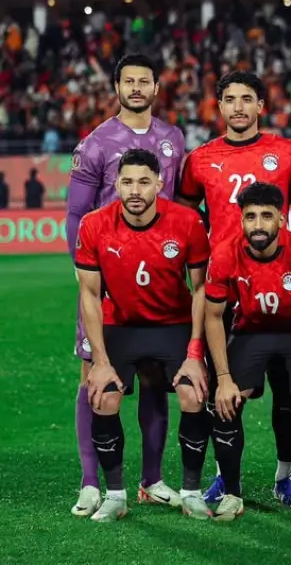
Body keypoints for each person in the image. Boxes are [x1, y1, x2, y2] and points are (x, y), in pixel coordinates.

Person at [178, 70, 291, 508]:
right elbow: (183, 218)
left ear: (262, 105)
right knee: (222, 394)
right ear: (218, 107)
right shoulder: (200, 159)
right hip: (224, 287)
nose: (238, 107)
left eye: (247, 99)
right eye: (230, 99)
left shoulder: (287, 153)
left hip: (278, 283)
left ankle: (285, 477)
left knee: (287, 392)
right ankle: (225, 478)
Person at [66, 53, 186, 517]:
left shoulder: (173, 138)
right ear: (116, 86)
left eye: (144, 81)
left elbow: (176, 205)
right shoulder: (96, 142)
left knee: (157, 376)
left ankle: (151, 480)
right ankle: (91, 483)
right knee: (94, 374)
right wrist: (81, 271)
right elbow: (76, 214)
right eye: (128, 81)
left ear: (157, 87)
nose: (136, 88)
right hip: (108, 276)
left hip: (159, 283)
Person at [73, 149, 210, 522]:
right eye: (128, 181)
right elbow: (89, 294)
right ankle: (115, 495)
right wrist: (99, 361)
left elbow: (201, 289)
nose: (135, 190)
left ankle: (192, 491)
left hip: (173, 324)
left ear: (160, 184)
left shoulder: (187, 222)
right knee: (102, 397)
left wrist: (195, 352)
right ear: (116, 183)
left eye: (144, 182)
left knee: (192, 392)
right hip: (120, 324)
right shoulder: (94, 224)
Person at [203, 182, 291, 522]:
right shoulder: (223, 254)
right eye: (250, 217)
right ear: (241, 220)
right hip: (251, 333)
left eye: (266, 216)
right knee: (226, 403)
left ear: (282, 219)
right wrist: (223, 379)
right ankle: (232, 493)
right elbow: (214, 317)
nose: (258, 225)